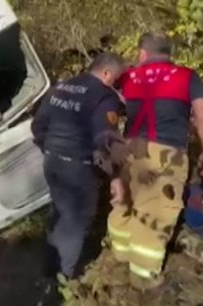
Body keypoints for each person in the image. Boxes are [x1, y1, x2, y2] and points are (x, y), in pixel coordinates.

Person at [107, 31, 203, 290]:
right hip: (166, 154)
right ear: (169, 54)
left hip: (129, 150)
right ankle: (143, 278)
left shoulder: (127, 76)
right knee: (155, 212)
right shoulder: (188, 77)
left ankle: (120, 255)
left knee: (124, 202)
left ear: (142, 54)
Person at [31, 52, 127, 301]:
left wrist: (50, 149)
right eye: (115, 79)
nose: (115, 84)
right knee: (75, 224)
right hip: (78, 169)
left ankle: (49, 269)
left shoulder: (61, 87)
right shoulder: (104, 96)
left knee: (60, 212)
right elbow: (106, 141)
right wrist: (115, 177)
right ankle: (58, 288)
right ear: (106, 73)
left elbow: (38, 125)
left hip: (52, 162)